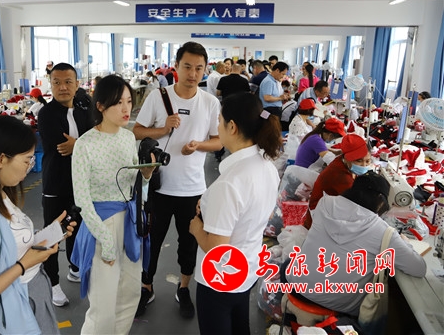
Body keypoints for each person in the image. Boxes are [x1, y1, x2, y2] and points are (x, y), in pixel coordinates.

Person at [0, 115, 75, 335]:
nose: (29, 167)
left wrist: (47, 235)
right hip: (18, 308)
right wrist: (24, 264)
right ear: (1, 160)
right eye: (27, 160)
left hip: (31, 295)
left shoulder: (0, 194)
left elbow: (9, 243)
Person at [133, 41, 222, 319]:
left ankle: (183, 288)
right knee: (152, 240)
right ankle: (146, 287)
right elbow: (137, 131)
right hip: (158, 186)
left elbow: (218, 141)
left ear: (205, 70)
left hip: (193, 188)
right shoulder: (157, 96)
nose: (193, 74)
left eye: (199, 68)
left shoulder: (210, 102)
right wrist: (163, 129)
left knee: (189, 243)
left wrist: (198, 146)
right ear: (176, 67)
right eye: (187, 67)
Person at [285, 172, 426, 333]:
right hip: (337, 305)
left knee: (289, 264)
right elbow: (419, 268)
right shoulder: (384, 232)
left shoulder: (325, 203)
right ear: (381, 200)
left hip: (297, 286)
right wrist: (405, 243)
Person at [189, 92, 282, 335]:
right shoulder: (267, 167)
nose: (217, 127)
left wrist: (196, 229)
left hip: (220, 278)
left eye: (219, 121)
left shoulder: (230, 182)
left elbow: (217, 250)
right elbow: (255, 213)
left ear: (232, 127)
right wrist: (210, 206)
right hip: (247, 269)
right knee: (241, 326)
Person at [71, 75, 156, 335]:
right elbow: (82, 200)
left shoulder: (128, 138)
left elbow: (135, 186)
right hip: (101, 225)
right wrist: (105, 239)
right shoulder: (84, 145)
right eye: (118, 103)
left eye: (129, 101)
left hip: (130, 221)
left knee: (129, 295)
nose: (126, 108)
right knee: (103, 305)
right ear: (100, 106)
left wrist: (146, 176)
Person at [37, 62, 94, 307]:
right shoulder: (46, 114)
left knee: (76, 227)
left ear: (77, 84)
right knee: (53, 233)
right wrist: (84, 144)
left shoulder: (83, 110)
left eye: (68, 82)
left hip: (80, 183)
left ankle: (74, 266)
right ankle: (52, 283)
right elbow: (61, 147)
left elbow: (95, 139)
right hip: (55, 184)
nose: (63, 87)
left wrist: (77, 144)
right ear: (50, 85)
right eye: (57, 82)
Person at [303, 133, 372, 228]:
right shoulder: (340, 176)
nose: (364, 165)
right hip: (319, 222)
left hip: (326, 213)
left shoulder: (342, 162)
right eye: (358, 161)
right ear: (347, 158)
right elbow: (354, 206)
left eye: (368, 161)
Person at [283, 98, 317, 163]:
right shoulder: (298, 123)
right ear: (309, 110)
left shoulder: (301, 118)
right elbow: (304, 141)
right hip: (296, 155)